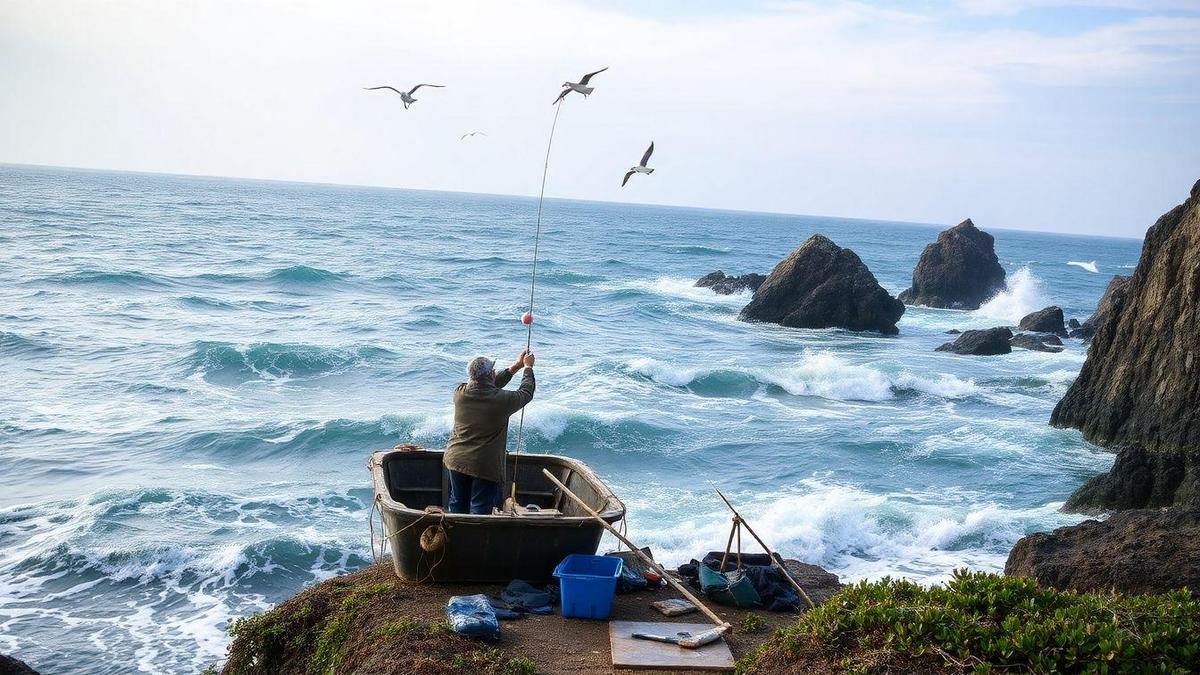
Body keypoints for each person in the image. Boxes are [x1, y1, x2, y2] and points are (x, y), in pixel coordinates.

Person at [443, 349, 536, 514]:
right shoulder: (502, 400)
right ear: (490, 375)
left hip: (456, 459)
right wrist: (528, 368)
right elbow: (526, 392)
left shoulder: (459, 393)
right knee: (480, 507)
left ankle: (457, 536)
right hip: (484, 464)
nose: (494, 372)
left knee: (457, 503)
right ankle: (475, 538)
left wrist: (515, 366)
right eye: (493, 371)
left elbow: (486, 384)